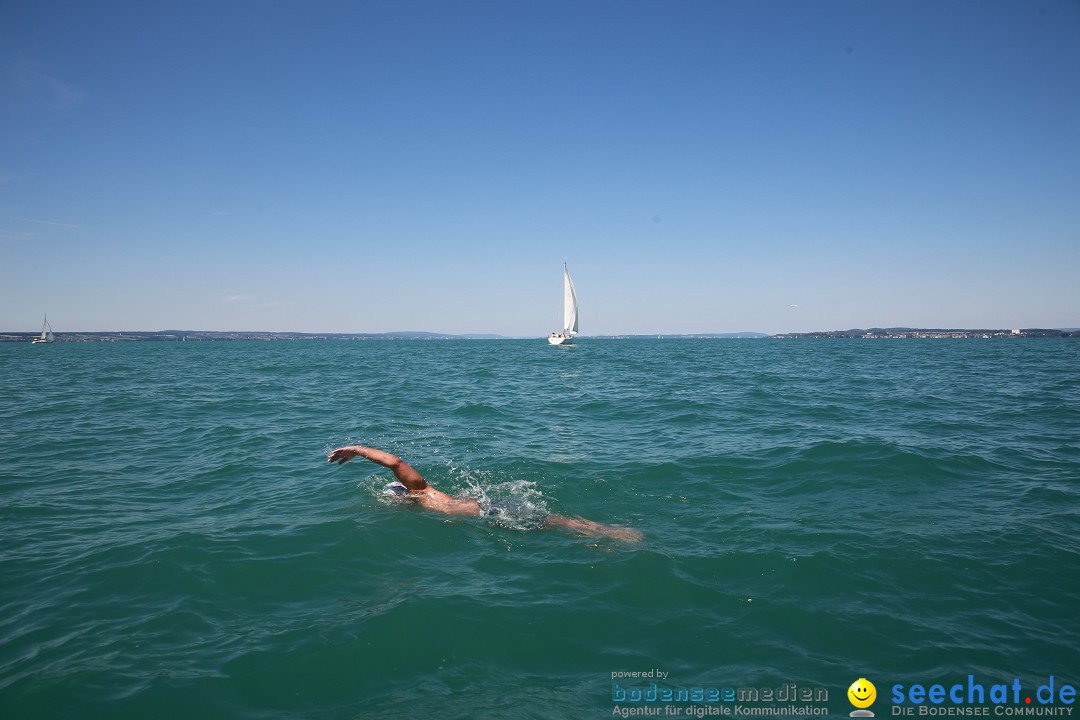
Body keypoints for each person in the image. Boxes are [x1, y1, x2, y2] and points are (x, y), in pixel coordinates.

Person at [328, 445, 642, 541]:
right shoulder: (421, 502)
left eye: (395, 494)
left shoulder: (420, 491)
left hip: (487, 510)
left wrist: (358, 450)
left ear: (401, 490)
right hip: (486, 510)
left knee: (554, 522)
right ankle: (603, 533)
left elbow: (395, 462)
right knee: (552, 521)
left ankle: (612, 533)